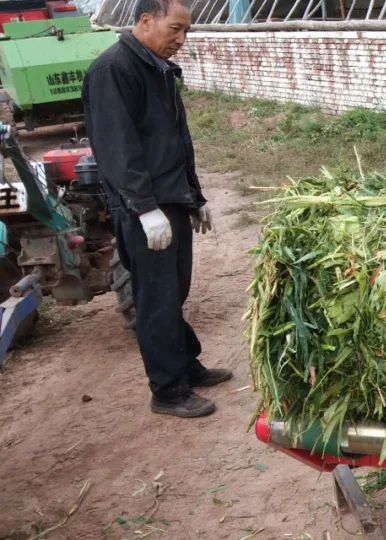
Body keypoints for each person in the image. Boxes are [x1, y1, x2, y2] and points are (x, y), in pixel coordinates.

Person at [82, 0, 232, 418]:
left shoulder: (156, 68)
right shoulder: (113, 70)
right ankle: (167, 390)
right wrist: (145, 209)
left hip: (170, 199)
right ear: (146, 21)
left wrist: (194, 197)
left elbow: (174, 141)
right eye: (175, 29)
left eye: (186, 31)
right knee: (156, 298)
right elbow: (118, 147)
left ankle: (184, 365)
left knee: (174, 291)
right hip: (143, 207)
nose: (181, 39)